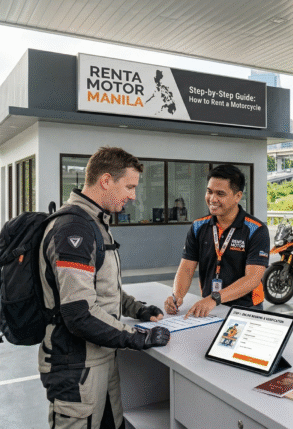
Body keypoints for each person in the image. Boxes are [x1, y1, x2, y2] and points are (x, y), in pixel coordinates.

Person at [38, 147, 170, 428]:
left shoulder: (95, 223)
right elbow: (79, 313)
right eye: (130, 186)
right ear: (106, 180)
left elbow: (100, 287)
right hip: (76, 367)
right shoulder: (74, 229)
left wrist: (137, 308)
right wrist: (139, 338)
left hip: (100, 359)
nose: (133, 196)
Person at [164, 164, 270, 318]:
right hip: (209, 308)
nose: (212, 199)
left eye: (220, 194)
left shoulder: (256, 230)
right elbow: (186, 268)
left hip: (246, 310)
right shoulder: (198, 227)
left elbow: (252, 279)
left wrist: (215, 298)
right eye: (209, 191)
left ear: (237, 196)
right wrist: (176, 297)